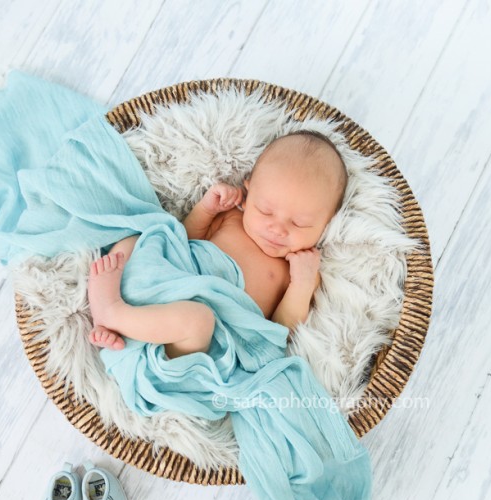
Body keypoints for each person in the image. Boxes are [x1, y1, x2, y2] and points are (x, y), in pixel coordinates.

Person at [86, 130, 348, 358]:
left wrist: (302, 283)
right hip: (160, 289)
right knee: (143, 238)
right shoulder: (232, 218)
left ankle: (112, 313)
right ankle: (111, 316)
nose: (277, 229)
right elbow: (183, 244)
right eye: (265, 210)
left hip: (195, 341)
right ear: (248, 193)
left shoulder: (300, 273)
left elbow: (282, 329)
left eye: (300, 224)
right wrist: (206, 210)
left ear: (326, 223)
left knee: (198, 319)